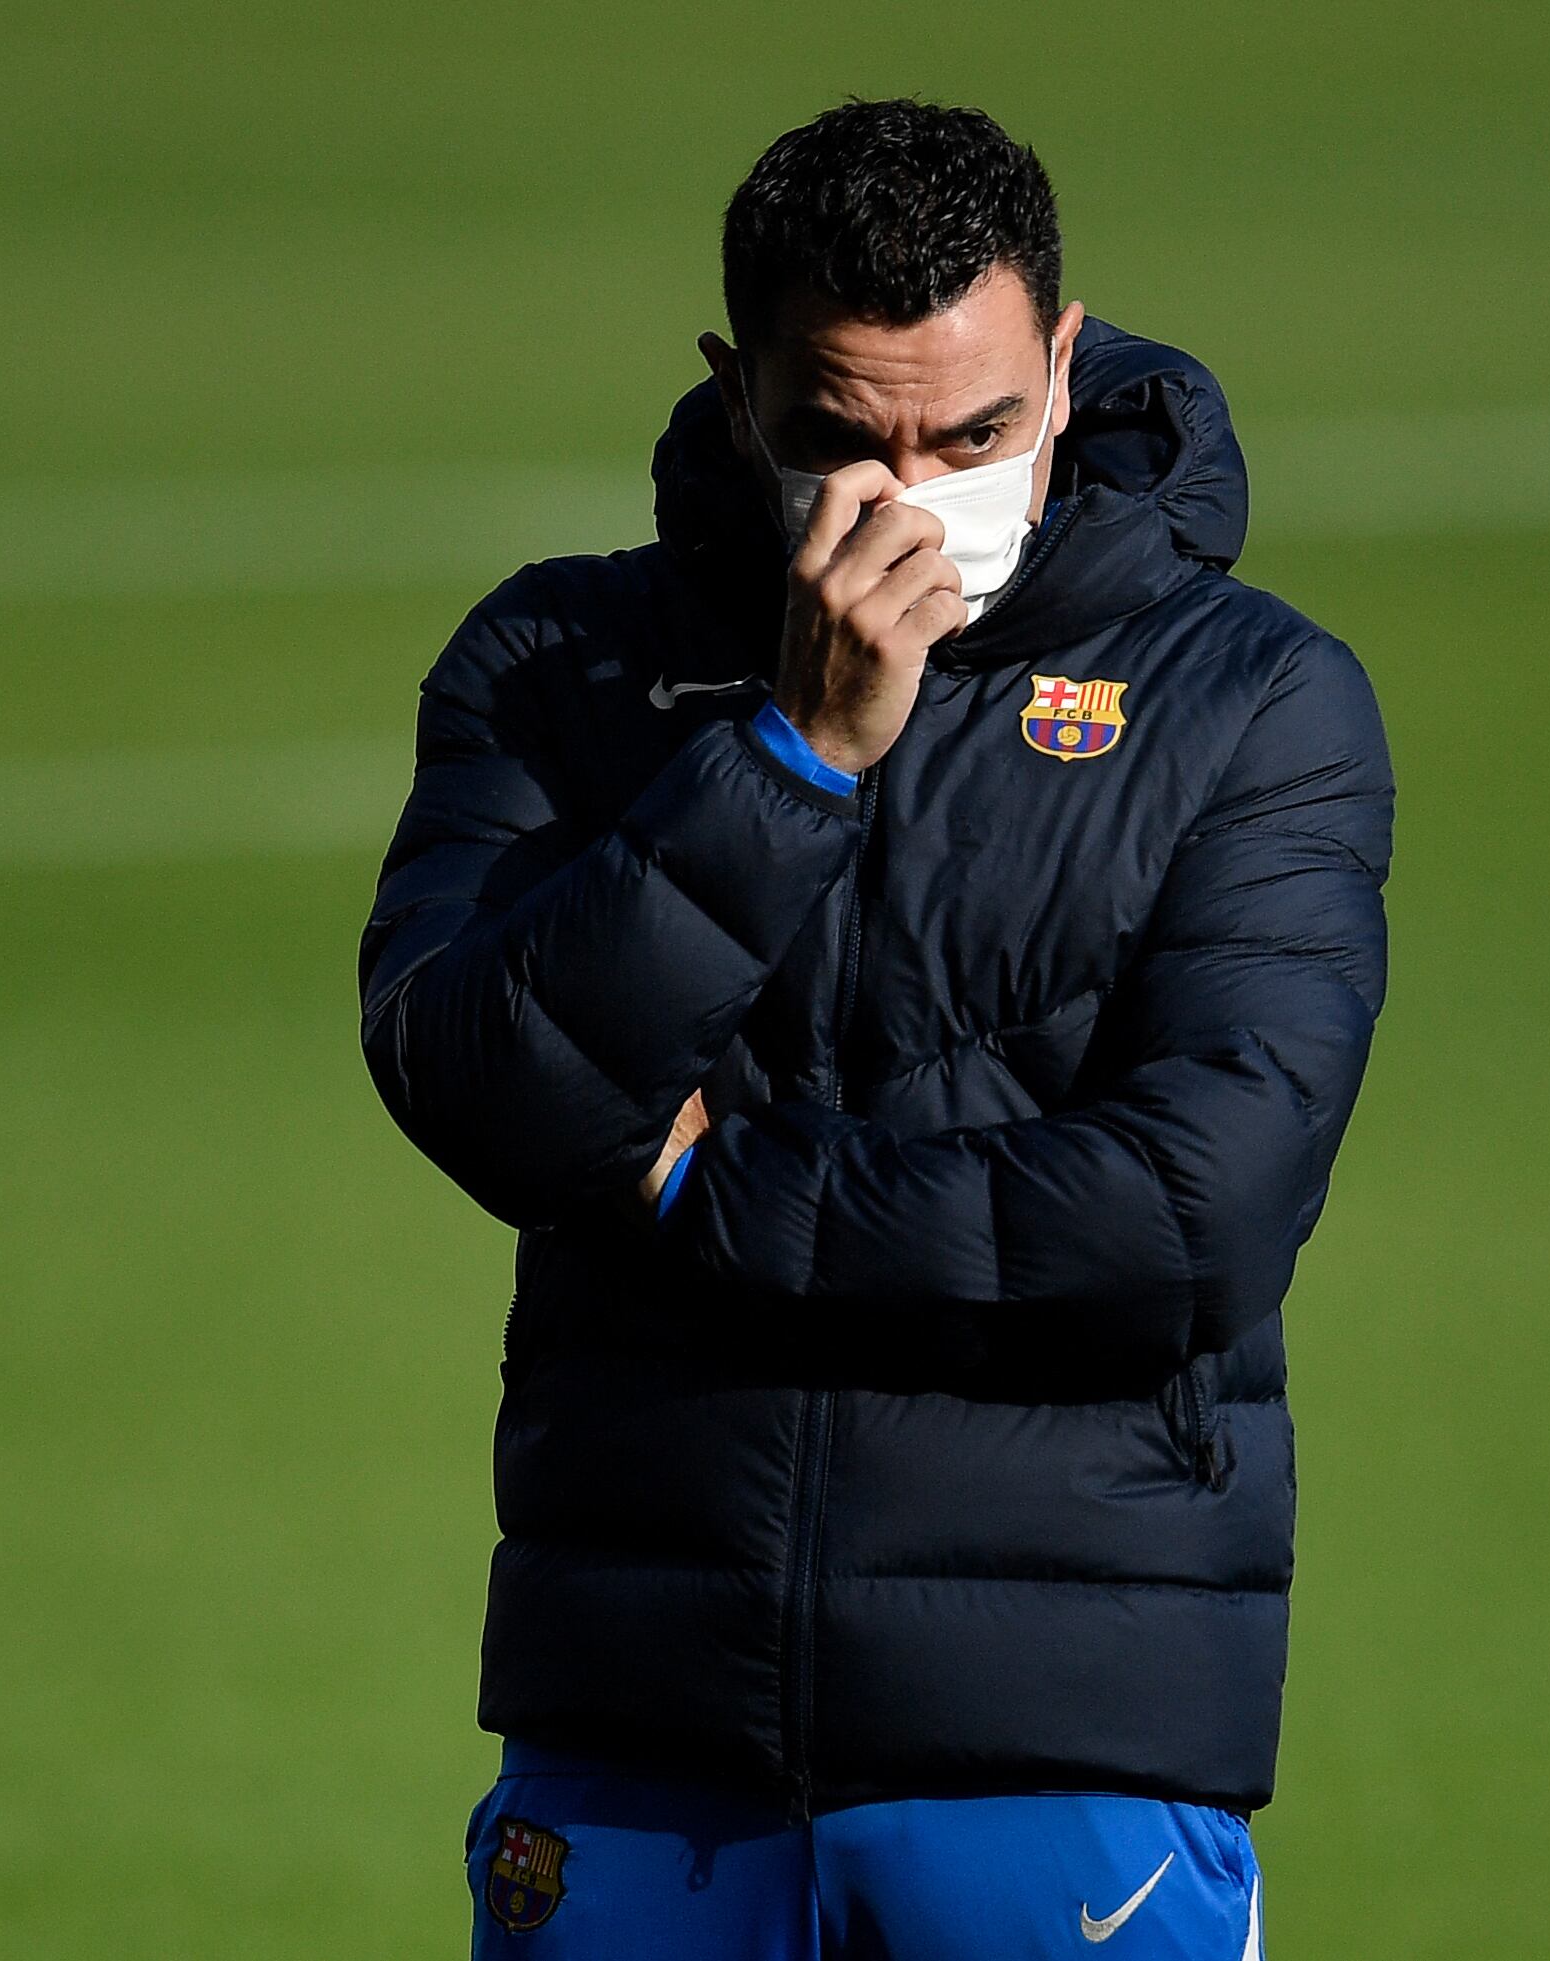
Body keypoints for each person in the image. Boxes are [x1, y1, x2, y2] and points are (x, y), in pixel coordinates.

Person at [360, 97, 1393, 1959]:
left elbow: (1196, 1212)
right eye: (842, 436)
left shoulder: (1250, 701)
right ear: (735, 388)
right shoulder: (557, 666)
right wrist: (789, 756)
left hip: (1064, 1754)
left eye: (977, 430)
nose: (910, 497)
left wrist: (703, 1192)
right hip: (635, 1744)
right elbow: (476, 1084)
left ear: (1064, 368)